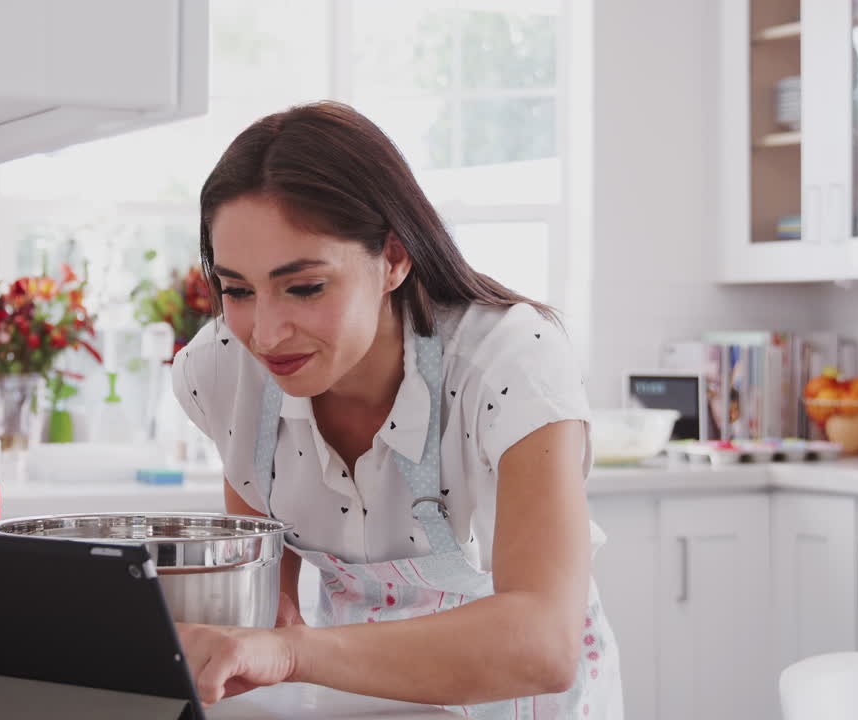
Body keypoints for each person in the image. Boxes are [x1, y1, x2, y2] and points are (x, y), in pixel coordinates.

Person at [170, 101, 622, 719]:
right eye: (238, 290)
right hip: (364, 703)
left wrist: (291, 653)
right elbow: (266, 585)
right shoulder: (223, 369)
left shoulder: (509, 360)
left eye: (304, 287)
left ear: (393, 258)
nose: (267, 334)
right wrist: (251, 633)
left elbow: (544, 643)